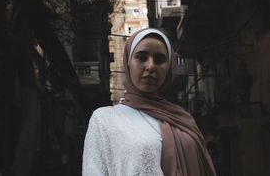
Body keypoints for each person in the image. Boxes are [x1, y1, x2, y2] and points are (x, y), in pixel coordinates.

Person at [82, 28, 216, 176]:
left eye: (159, 59)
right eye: (141, 57)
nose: (151, 66)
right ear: (128, 63)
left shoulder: (183, 120)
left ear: (169, 68)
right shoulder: (104, 119)